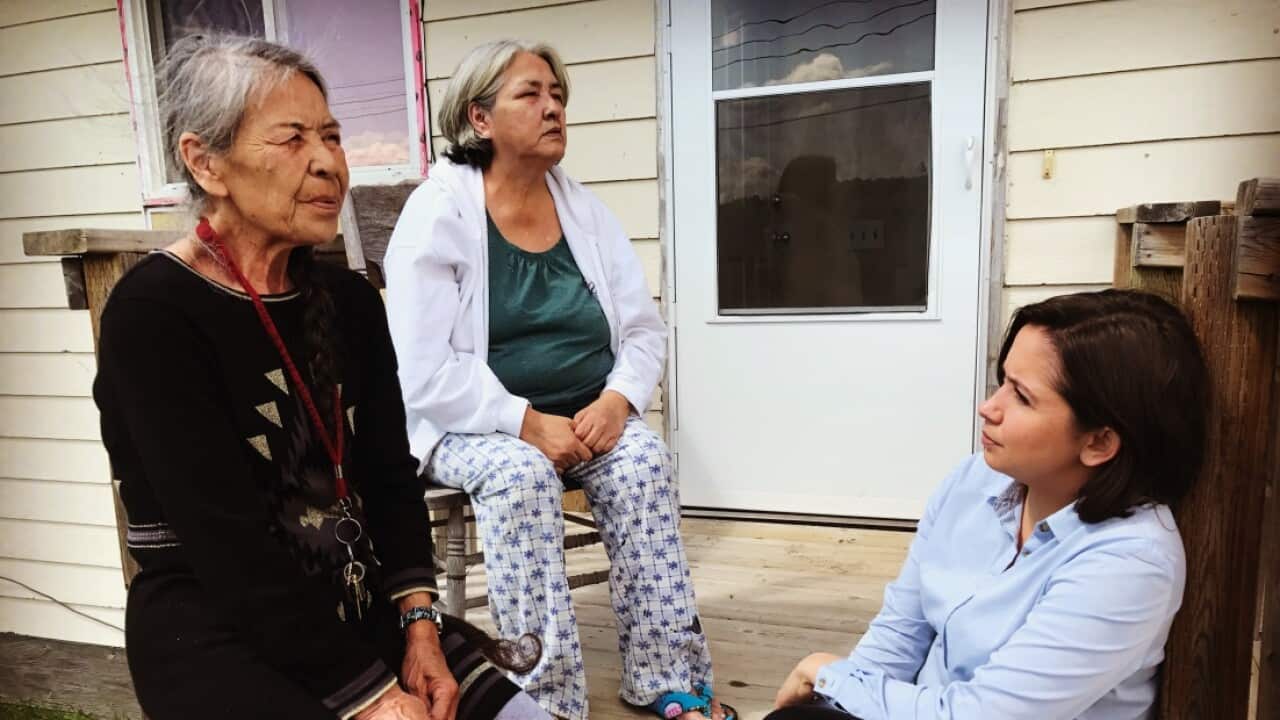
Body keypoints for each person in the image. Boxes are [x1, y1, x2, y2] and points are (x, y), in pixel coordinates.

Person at [92, 34, 549, 720]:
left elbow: (391, 481)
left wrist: (418, 629)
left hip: (363, 618)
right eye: (293, 138)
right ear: (205, 162)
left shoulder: (351, 304)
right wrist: (370, 696)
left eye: (332, 136)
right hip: (218, 635)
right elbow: (230, 547)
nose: (327, 163)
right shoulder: (155, 315)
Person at [384, 40, 733, 720]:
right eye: (531, 95)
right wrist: (524, 423)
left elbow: (641, 332)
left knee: (642, 462)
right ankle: (541, 696)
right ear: (479, 119)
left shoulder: (586, 214)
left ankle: (666, 677)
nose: (553, 108)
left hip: (583, 414)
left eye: (559, 96)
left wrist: (617, 399)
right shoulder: (440, 214)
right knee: (521, 477)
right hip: (467, 424)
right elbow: (424, 369)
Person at [768, 289, 1209, 719]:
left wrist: (829, 674)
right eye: (1001, 382)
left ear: (1098, 442)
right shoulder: (975, 480)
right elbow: (902, 631)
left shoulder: (1129, 562)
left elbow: (986, 713)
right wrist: (835, 698)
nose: (987, 408)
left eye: (1021, 396)